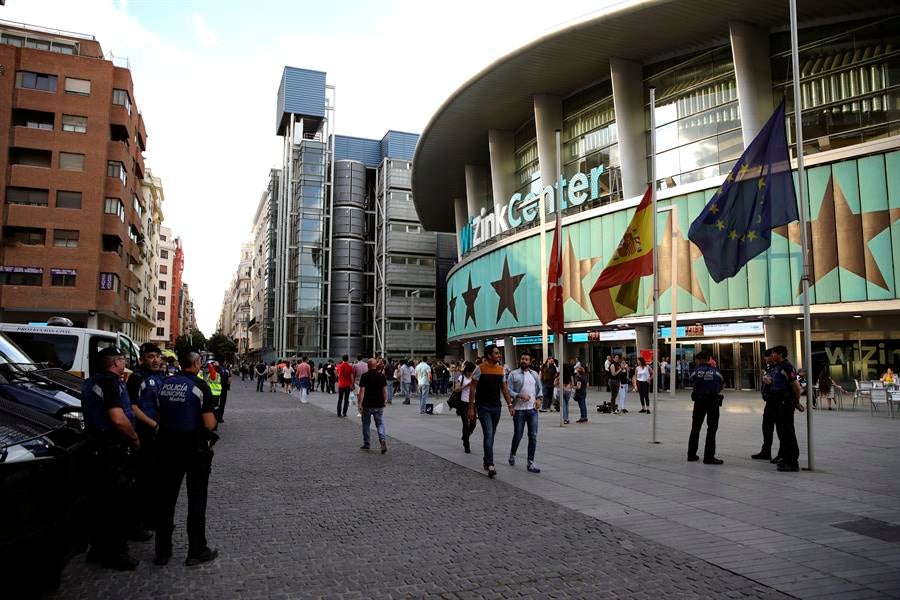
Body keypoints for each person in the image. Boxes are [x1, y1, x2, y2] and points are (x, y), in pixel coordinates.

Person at [154, 349, 219, 567]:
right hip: (194, 449)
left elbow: (159, 413)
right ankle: (196, 549)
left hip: (166, 446)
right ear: (197, 363)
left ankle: (162, 550)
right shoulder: (200, 386)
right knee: (196, 500)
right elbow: (209, 423)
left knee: (165, 499)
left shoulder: (164, 383)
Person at [81, 346, 141, 570]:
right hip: (111, 449)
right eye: (123, 359)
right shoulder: (111, 383)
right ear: (115, 362)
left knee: (100, 502)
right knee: (118, 504)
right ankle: (117, 553)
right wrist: (134, 437)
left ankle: (97, 547)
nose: (124, 362)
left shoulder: (91, 382)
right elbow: (117, 419)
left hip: (95, 447)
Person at [127, 342, 164, 536]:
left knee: (154, 480)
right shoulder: (137, 378)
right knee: (141, 481)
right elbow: (132, 407)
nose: (156, 360)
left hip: (157, 437)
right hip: (143, 435)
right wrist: (153, 425)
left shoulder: (160, 377)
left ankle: (151, 518)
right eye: (151, 357)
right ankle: (135, 524)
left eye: (157, 356)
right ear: (142, 359)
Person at [468, 345, 513, 478]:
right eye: (496, 353)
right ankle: (491, 464)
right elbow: (472, 388)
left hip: (496, 407)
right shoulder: (480, 369)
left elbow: (504, 388)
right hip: (483, 407)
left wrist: (510, 404)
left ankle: (486, 461)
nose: (499, 355)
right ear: (489, 355)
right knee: (488, 433)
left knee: (491, 435)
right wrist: (471, 407)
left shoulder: (501, 370)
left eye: (499, 353)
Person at [761, 345, 803, 472]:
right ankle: (784, 457)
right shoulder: (777, 367)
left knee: (788, 432)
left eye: (773, 353)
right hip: (777, 403)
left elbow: (796, 387)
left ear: (780, 354)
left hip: (785, 403)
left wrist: (796, 401)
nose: (771, 355)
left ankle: (792, 461)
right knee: (782, 432)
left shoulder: (786, 366)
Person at [507, 350, 542, 473]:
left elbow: (539, 389)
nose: (524, 361)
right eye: (522, 359)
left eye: (526, 359)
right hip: (519, 410)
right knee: (518, 435)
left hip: (532, 410)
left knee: (533, 436)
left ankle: (530, 463)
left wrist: (538, 399)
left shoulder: (535, 374)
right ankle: (512, 454)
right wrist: (518, 395)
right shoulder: (513, 374)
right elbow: (507, 390)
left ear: (530, 361)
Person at [687, 351, 725, 465]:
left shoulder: (696, 371)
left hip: (699, 402)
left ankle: (691, 454)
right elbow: (722, 384)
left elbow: (692, 380)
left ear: (699, 360)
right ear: (709, 359)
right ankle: (709, 457)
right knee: (712, 429)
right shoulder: (716, 372)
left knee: (695, 428)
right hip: (712, 402)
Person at [357, 358, 388, 453]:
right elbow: (384, 390)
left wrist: (359, 403)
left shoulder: (365, 376)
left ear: (368, 366)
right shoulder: (381, 376)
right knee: (380, 423)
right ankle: (382, 439)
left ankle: (367, 444)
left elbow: (362, 391)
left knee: (366, 424)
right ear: (375, 365)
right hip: (379, 404)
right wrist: (385, 400)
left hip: (367, 404)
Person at [453, 361, 478, 453]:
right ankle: (466, 445)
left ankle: (465, 436)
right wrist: (466, 385)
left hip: (473, 402)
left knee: (473, 423)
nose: (471, 373)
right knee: (465, 423)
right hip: (464, 402)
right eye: (469, 371)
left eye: (472, 372)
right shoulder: (461, 377)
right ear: (466, 371)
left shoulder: (475, 378)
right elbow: (456, 389)